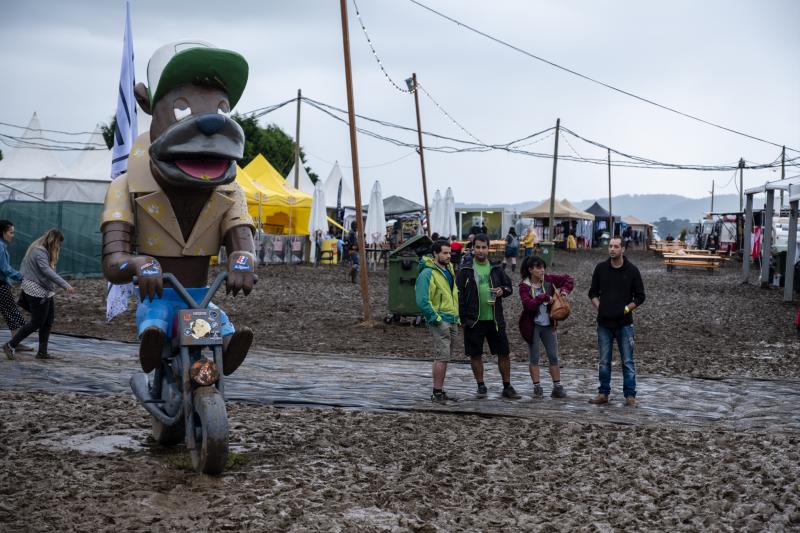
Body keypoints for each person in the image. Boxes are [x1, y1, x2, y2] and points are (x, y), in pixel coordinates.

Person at [456, 233, 520, 399]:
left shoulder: (496, 268)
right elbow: (458, 295)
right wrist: (462, 319)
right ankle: (481, 385)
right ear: (473, 248)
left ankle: (507, 386)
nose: (481, 250)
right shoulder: (465, 269)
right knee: (475, 354)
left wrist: (502, 291)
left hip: (495, 319)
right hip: (473, 319)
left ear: (489, 249)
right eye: (477, 247)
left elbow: (509, 287)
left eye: (484, 247)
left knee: (504, 352)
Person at [587, 236, 646, 406]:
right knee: (604, 361)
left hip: (625, 324)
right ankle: (603, 393)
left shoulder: (632, 270)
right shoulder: (601, 268)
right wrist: (600, 307)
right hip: (604, 324)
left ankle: (630, 395)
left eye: (616, 246)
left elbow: (641, 296)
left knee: (627, 361)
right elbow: (592, 293)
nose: (612, 249)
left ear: (622, 250)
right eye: (610, 246)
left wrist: (627, 308)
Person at [3, 229, 76, 360]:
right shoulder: (39, 251)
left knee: (48, 321)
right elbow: (47, 271)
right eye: (58, 243)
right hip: (36, 290)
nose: (59, 246)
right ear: (53, 240)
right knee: (37, 322)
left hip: (46, 290)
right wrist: (65, 285)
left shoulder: (42, 250)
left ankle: (42, 352)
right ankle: (10, 345)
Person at [518, 256, 574, 398]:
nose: (542, 270)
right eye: (538, 268)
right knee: (534, 357)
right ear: (530, 270)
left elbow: (569, 279)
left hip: (549, 325)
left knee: (553, 356)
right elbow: (528, 305)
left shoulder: (548, 279)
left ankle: (557, 387)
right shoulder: (524, 286)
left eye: (543, 267)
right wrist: (543, 297)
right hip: (532, 326)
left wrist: (564, 291)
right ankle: (537, 387)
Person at [415, 239, 459, 403]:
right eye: (445, 253)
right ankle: (437, 392)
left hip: (451, 318)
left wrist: (457, 317)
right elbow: (422, 300)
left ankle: (439, 390)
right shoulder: (427, 273)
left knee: (444, 356)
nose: (448, 256)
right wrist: (436, 319)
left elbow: (452, 294)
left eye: (449, 253)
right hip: (441, 320)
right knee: (441, 356)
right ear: (435, 253)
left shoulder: (448, 269)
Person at [0, 220, 34, 353]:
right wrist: (21, 276)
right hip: (1, 287)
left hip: (2, 285)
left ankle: (15, 342)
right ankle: (15, 343)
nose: (12, 235)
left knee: (11, 312)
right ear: (3, 232)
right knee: (12, 313)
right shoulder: (0, 247)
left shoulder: (2, 246)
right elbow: (4, 268)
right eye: (10, 232)